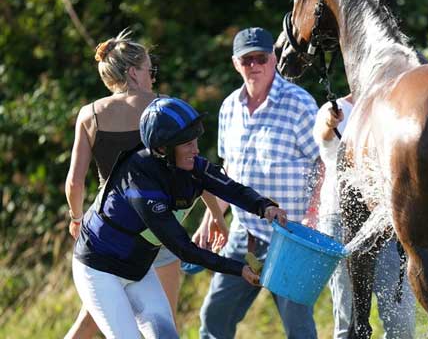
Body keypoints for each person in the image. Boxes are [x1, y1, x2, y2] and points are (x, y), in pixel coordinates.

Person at [71, 96, 287, 338]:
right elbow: (183, 248)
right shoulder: (140, 184)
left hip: (137, 266)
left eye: (195, 141)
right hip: (99, 269)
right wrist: (238, 269)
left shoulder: (187, 163)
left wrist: (265, 207)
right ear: (163, 148)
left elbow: (230, 188)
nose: (195, 150)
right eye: (187, 144)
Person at [197, 27, 320, 339]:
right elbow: (229, 173)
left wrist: (314, 213)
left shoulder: (299, 103)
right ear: (236, 63)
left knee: (299, 328)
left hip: (292, 235)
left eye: (260, 58)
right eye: (246, 59)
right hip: (244, 233)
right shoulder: (229, 108)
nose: (254, 65)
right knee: (214, 317)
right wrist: (213, 214)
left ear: (274, 59)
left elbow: (326, 162)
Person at [64, 31, 188, 338]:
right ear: (133, 73)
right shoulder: (164, 108)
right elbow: (193, 166)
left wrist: (77, 218)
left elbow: (74, 184)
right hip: (155, 228)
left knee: (93, 320)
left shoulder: (90, 114)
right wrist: (214, 213)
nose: (153, 76)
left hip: (106, 228)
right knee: (162, 326)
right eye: (149, 69)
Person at [310, 94, 416, 338]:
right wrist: (330, 124)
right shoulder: (333, 109)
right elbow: (325, 141)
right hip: (340, 220)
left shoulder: (398, 104)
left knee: (402, 322)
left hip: (389, 223)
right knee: (348, 320)